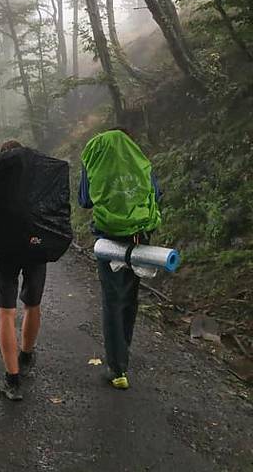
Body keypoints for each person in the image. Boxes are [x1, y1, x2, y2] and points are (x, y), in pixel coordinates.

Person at [78, 128, 162, 390]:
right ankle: (122, 352)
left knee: (112, 301)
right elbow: (156, 194)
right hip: (139, 238)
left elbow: (85, 200)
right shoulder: (139, 160)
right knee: (129, 298)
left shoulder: (96, 158)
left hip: (109, 241)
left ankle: (117, 368)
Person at [0, 140, 49, 401]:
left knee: (6, 312)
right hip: (37, 248)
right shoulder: (39, 178)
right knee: (33, 304)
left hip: (4, 252)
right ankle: (26, 354)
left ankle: (12, 380)